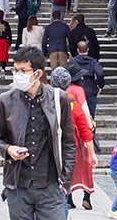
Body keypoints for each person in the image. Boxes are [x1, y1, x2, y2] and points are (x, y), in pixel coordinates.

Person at [0, 45, 76, 220]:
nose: (18, 75)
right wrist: (8, 149)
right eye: (15, 70)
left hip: (51, 184)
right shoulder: (5, 101)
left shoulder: (59, 99)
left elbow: (68, 142)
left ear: (37, 73)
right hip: (18, 184)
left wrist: (66, 182)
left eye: (23, 70)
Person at [50, 67, 97, 212]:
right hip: (71, 145)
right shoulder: (75, 100)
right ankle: (82, 197)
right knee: (71, 173)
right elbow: (85, 129)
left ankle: (65, 200)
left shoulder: (45, 101)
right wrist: (92, 153)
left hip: (49, 147)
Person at [67, 40, 105, 119]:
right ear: (87, 49)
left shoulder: (72, 62)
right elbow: (100, 73)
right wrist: (100, 85)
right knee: (91, 116)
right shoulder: (92, 62)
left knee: (77, 117)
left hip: (76, 91)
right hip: (90, 90)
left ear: (78, 50)